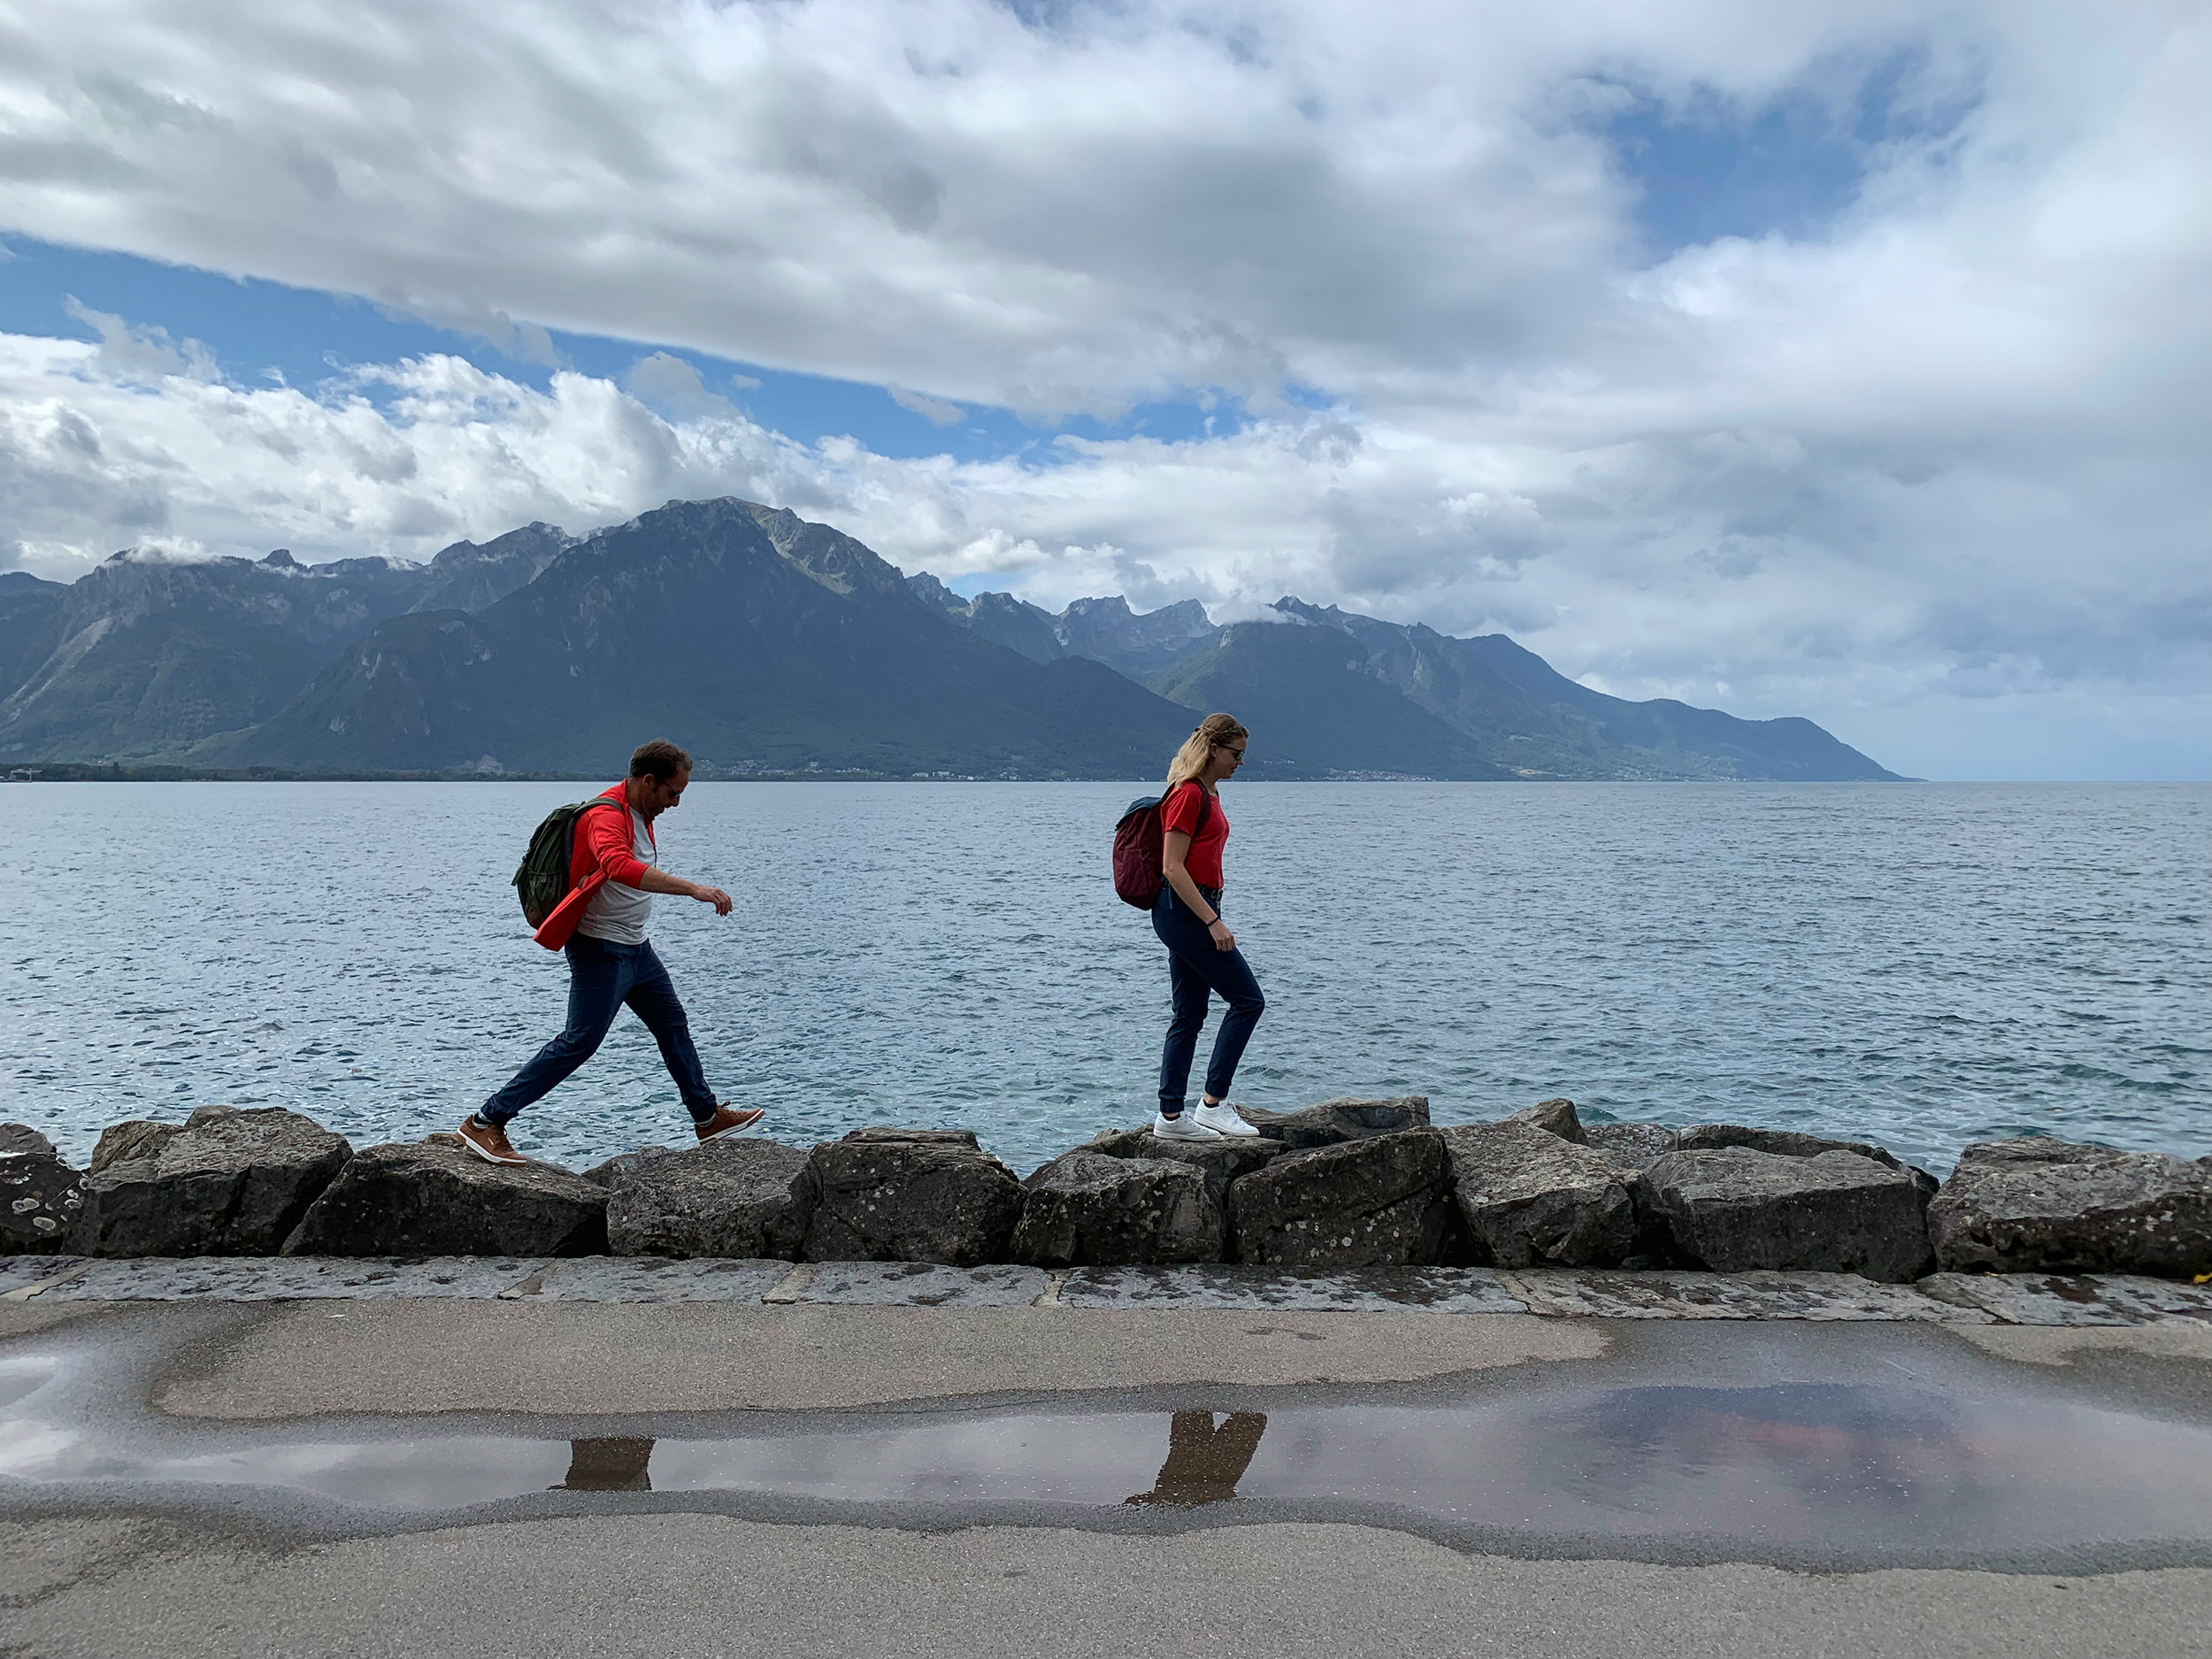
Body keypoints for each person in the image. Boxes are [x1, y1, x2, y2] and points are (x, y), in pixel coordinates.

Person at [457, 739, 763, 1165]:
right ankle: (486, 1121)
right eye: (673, 793)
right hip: (601, 950)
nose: (676, 803)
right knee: (579, 1042)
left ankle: (707, 1118)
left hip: (636, 948)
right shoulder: (605, 815)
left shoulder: (642, 811)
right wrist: (694, 888)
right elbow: (619, 865)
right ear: (648, 782)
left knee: (673, 1024)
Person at [1150, 713, 1265, 1141]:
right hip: (1185, 912)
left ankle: (1170, 1119)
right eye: (1235, 753)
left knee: (1190, 1014)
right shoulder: (1189, 794)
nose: (1240, 761)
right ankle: (1212, 1105)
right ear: (1213, 749)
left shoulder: (1209, 793)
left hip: (1192, 908)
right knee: (1248, 1001)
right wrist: (1213, 921)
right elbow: (1171, 867)